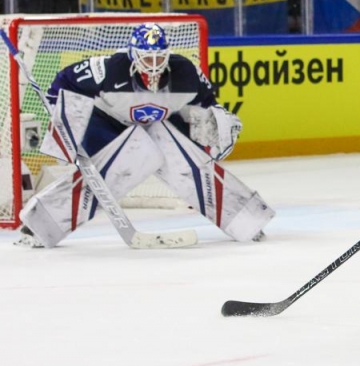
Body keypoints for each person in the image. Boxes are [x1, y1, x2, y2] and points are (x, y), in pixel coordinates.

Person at [16, 23, 275, 248]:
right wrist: (64, 120)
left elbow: (207, 104)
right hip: (105, 126)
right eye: (147, 59)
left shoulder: (186, 73)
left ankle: (245, 219)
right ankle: (40, 225)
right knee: (113, 170)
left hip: (156, 126)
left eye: (159, 58)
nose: (154, 65)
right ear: (133, 55)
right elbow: (64, 81)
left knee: (182, 161)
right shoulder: (109, 69)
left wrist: (216, 122)